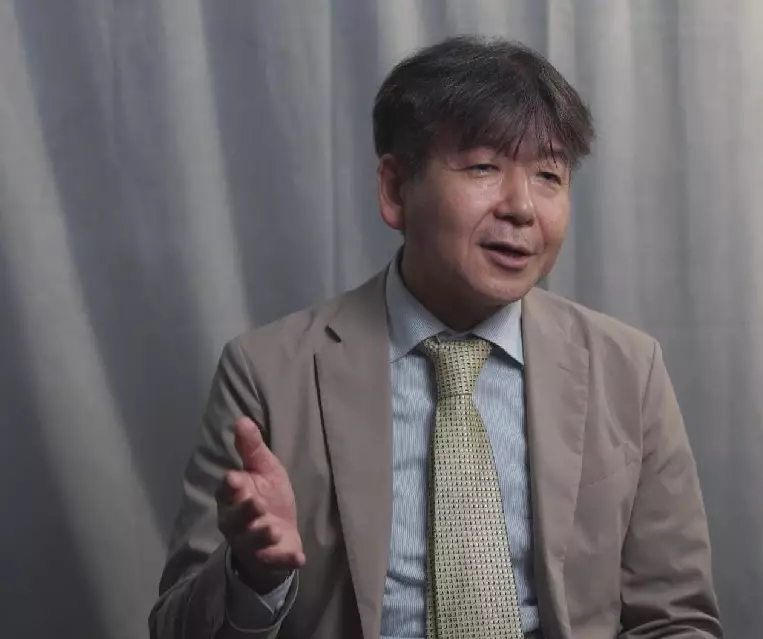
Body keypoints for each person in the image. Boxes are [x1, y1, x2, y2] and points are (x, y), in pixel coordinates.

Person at [149, 35, 720, 639]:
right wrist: (252, 577)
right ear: (396, 189)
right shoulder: (266, 373)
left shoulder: (628, 369)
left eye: (549, 175)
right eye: (484, 167)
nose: (522, 207)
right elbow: (174, 629)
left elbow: (676, 620)